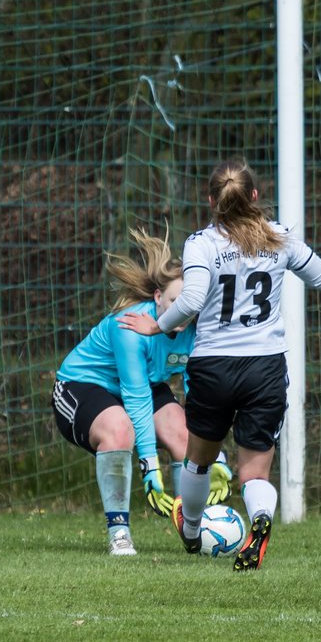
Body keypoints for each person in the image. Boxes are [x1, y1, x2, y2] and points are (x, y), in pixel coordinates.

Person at [117, 161, 321, 570]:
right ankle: (261, 519)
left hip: (215, 366)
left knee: (198, 460)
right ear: (254, 197)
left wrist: (157, 327)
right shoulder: (279, 238)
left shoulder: (202, 243)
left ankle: (193, 529)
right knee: (254, 471)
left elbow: (193, 299)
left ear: (212, 201)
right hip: (265, 367)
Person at [52, 227, 231, 556]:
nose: (182, 311)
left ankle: (194, 530)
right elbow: (135, 395)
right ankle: (119, 534)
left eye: (188, 303)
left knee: (185, 436)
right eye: (175, 301)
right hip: (81, 386)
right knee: (121, 430)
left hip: (143, 387)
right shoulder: (131, 327)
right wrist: (150, 465)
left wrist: (214, 458)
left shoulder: (197, 330)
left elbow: (200, 396)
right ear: (157, 297)